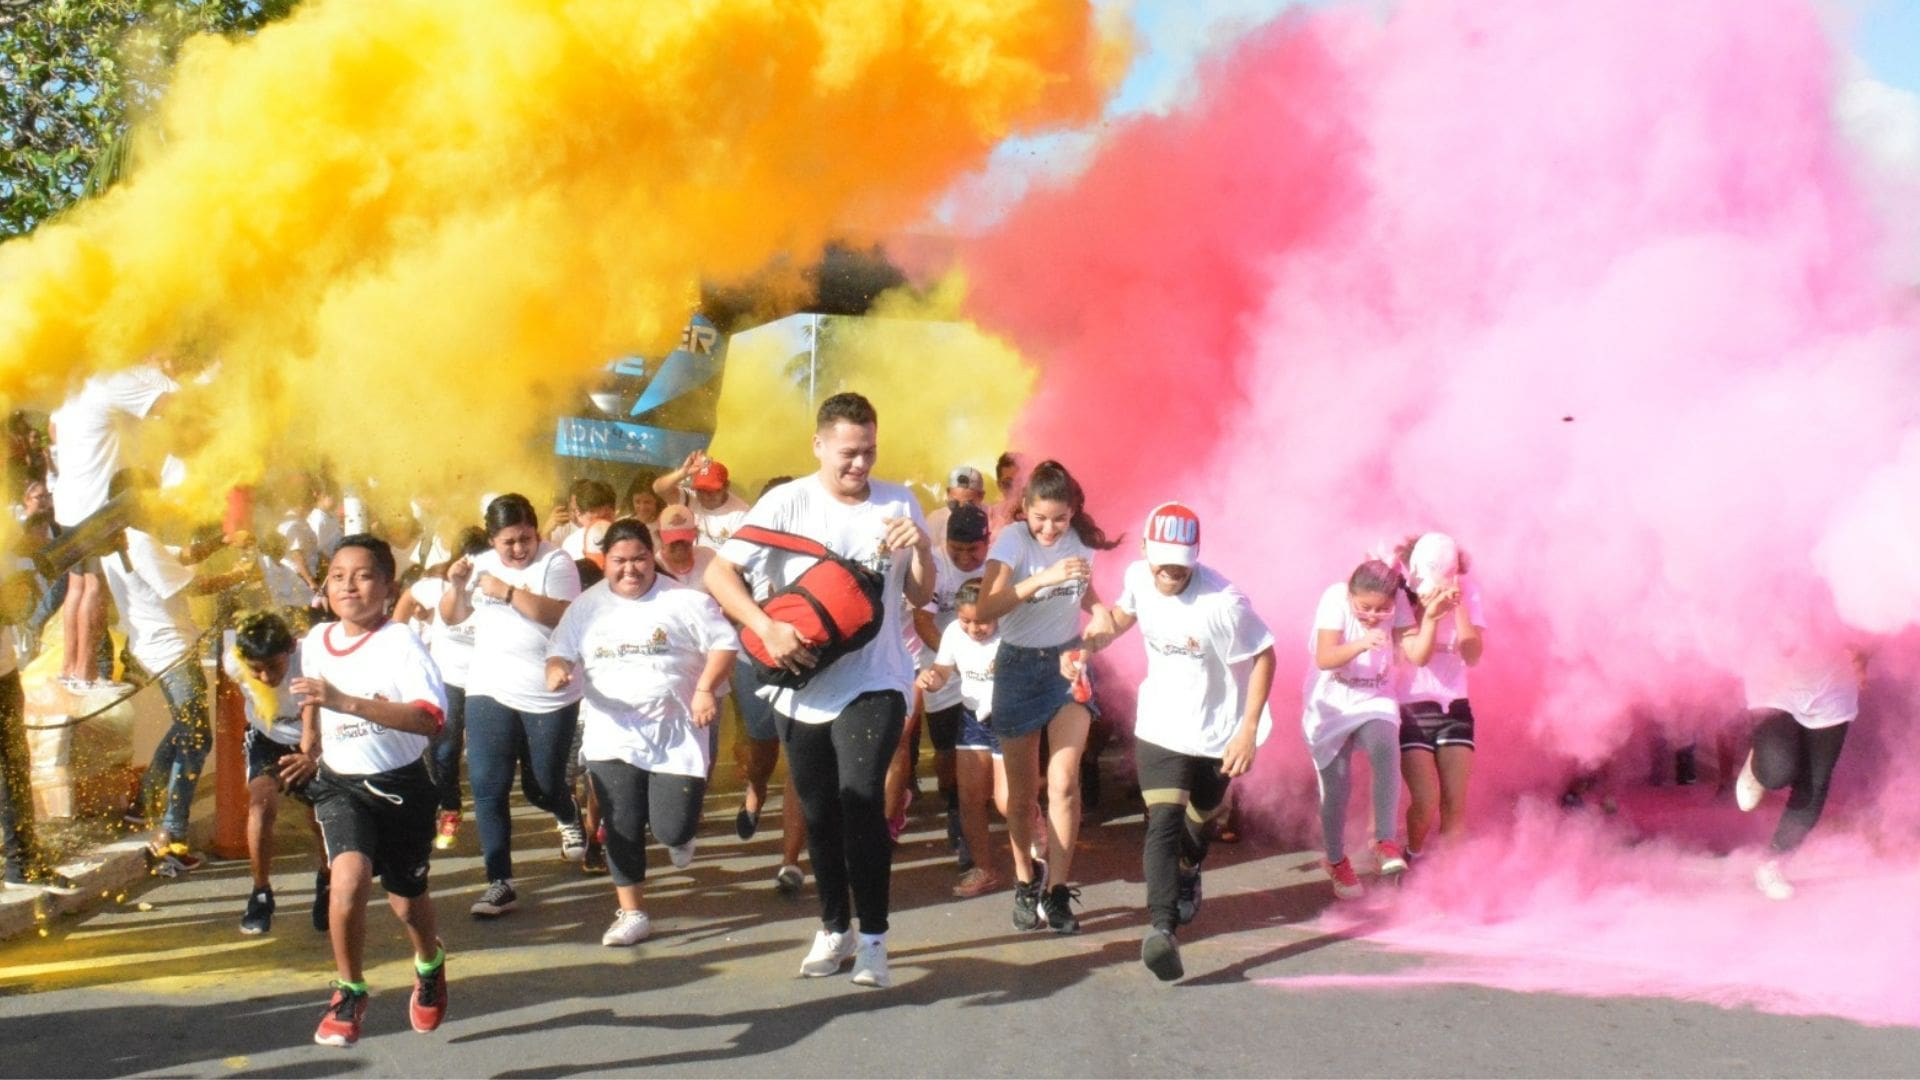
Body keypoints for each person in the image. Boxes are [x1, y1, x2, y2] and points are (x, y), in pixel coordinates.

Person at [706, 392, 933, 989]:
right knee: (819, 811)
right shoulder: (786, 502)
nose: (860, 465)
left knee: (861, 800)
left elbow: (918, 594)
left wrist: (922, 548)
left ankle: (876, 941)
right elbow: (717, 573)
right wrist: (765, 626)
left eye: (869, 452)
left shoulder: (898, 501)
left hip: (877, 679)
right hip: (798, 685)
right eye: (848, 453)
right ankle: (835, 929)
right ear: (819, 445)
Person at [1085, 502, 1275, 980]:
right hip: (1161, 725)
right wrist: (1087, 644)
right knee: (1162, 822)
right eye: (1162, 558)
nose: (1170, 570)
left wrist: (1248, 729)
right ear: (1146, 548)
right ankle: (1161, 930)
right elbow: (1122, 618)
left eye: (1181, 561)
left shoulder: (1224, 602)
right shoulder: (1138, 577)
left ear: (1196, 554)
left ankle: (1190, 870)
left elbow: (1265, 656)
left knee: (1200, 819)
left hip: (1217, 731)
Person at [281, 535, 448, 1048]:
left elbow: (428, 719)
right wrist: (309, 746)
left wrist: (347, 702)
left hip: (402, 789)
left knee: (406, 903)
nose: (348, 585)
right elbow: (312, 696)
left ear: (387, 586)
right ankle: (349, 990)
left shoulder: (400, 642)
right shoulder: (316, 640)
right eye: (337, 575)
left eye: (363, 575)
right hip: (340, 786)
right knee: (347, 880)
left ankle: (430, 964)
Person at [545, 520, 738, 945]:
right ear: (605, 562)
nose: (629, 570)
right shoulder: (586, 606)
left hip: (676, 731)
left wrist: (705, 689)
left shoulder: (685, 599)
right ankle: (632, 912)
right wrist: (558, 669)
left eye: (639, 559)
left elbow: (725, 645)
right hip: (613, 731)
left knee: (671, 828)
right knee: (621, 823)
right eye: (619, 561)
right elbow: (559, 649)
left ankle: (680, 834)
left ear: (653, 558)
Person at [972, 460, 1119, 934]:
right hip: (1017, 667)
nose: (1050, 528)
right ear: (1026, 509)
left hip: (1066, 665)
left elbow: (1087, 596)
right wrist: (1042, 578)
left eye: (1059, 518)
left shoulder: (1081, 542)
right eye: (1041, 518)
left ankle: (1057, 890)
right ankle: (1023, 879)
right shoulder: (1013, 540)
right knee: (1020, 796)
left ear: (1073, 510)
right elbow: (985, 608)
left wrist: (1099, 615)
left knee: (1064, 782)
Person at [441, 494, 584, 917]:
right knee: (488, 786)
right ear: (492, 539)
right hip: (489, 687)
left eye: (525, 538)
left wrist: (506, 592)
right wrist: (456, 585)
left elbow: (561, 614)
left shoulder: (556, 562)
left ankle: (566, 808)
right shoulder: (480, 563)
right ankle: (499, 882)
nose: (519, 549)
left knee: (541, 786)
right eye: (509, 542)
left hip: (548, 693)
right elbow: (452, 617)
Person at [100, 471, 248, 875]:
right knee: (196, 740)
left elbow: (180, 556)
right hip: (171, 650)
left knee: (187, 730)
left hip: (159, 648)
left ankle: (143, 803)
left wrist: (222, 541)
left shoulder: (124, 540)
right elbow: (191, 585)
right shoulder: (139, 541)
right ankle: (171, 835)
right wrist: (238, 575)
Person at [1303, 559, 1443, 899]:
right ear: (1351, 595)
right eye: (1364, 608)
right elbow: (1324, 657)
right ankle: (1336, 860)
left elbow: (1416, 654)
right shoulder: (1335, 598)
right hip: (1331, 701)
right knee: (1336, 789)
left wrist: (1433, 619)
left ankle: (1385, 841)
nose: (1373, 615)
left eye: (1383, 609)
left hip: (1375, 697)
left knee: (1385, 746)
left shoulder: (1395, 607)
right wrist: (1362, 642)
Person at [48, 362, 177, 692]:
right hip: (96, 505)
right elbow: (168, 405)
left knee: (77, 587)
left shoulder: (74, 387)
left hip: (70, 502)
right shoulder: (109, 378)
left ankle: (72, 670)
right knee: (94, 587)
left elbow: (52, 430)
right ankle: (87, 675)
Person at [717, 478, 810, 893]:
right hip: (752, 661)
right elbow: (720, 593)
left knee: (799, 761)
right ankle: (755, 789)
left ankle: (790, 860)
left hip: (806, 668)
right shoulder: (744, 549)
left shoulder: (822, 546)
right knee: (763, 750)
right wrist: (757, 621)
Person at [1735, 644, 1863, 901]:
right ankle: (1761, 765)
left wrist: (1864, 655)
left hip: (1832, 683)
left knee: (1814, 784)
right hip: (1775, 678)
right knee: (1776, 772)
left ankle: (1773, 862)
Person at [230, 609, 328, 935]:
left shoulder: (310, 660)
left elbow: (320, 719)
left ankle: (327, 879)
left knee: (319, 816)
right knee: (260, 804)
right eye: (256, 670)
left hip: (315, 737)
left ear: (290, 649)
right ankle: (260, 893)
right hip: (267, 736)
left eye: (274, 667)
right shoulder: (234, 663)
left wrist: (312, 755)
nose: (266, 677)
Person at [909, 501, 992, 878]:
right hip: (943, 666)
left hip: (990, 671)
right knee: (947, 757)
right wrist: (957, 656)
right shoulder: (937, 566)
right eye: (956, 549)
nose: (964, 557)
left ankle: (968, 827)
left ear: (986, 543)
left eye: (972, 550)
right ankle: (955, 805)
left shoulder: (998, 567)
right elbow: (922, 620)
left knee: (980, 753)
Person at [393, 526, 488, 852]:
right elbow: (408, 597)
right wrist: (396, 637)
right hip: (447, 678)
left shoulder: (498, 589)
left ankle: (490, 810)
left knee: (482, 753)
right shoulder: (436, 587)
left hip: (489, 680)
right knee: (443, 750)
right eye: (467, 559)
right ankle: (449, 809)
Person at [1395, 533, 1484, 861]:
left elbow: (1472, 655)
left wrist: (1458, 605)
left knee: (1453, 804)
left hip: (1455, 708)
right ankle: (1413, 853)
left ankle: (1446, 886)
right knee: (1426, 800)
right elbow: (1416, 656)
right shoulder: (1403, 595)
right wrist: (1428, 612)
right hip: (1413, 708)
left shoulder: (1469, 594)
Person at [915, 575, 1006, 898]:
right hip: (972, 718)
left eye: (982, 621)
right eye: (966, 620)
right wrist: (932, 679)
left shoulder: (1013, 630)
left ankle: (1032, 837)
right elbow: (942, 670)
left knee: (1008, 803)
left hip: (1008, 720)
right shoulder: (953, 633)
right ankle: (983, 868)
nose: (973, 629)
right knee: (969, 798)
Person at [654, 451, 750, 550]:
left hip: (718, 563)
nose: (705, 496)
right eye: (701, 490)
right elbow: (659, 489)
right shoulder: (691, 497)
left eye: (712, 491)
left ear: (726, 486)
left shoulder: (741, 513)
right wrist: (682, 473)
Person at [560, 479, 618, 568]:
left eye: (606, 517)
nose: (601, 525)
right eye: (595, 520)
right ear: (579, 514)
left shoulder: (629, 538)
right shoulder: (571, 545)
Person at [925, 466, 987, 547]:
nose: (961, 509)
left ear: (981, 496)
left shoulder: (992, 518)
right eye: (955, 504)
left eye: (968, 504)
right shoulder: (936, 519)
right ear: (948, 493)